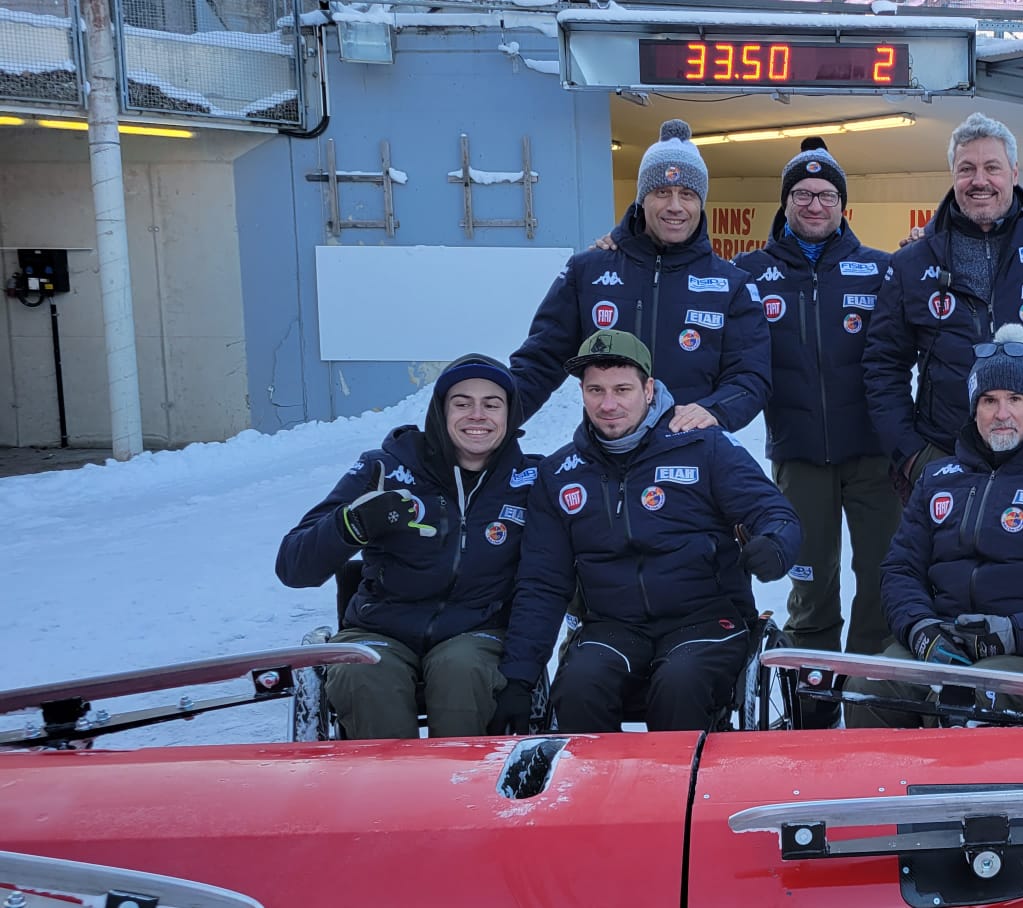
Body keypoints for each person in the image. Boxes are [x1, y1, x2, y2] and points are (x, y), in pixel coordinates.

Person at [491, 329, 800, 734]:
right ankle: (600, 793)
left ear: (649, 389)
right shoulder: (559, 475)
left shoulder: (704, 446)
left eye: (622, 389)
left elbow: (774, 511)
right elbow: (542, 584)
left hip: (706, 620)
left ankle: (677, 795)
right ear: (581, 394)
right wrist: (519, 679)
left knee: (680, 685)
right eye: (595, 390)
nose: (608, 404)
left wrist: (774, 544)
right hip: (612, 626)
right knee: (579, 688)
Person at [852, 324, 1023, 727]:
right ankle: (880, 787)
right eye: (989, 400)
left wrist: (1017, 631)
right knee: (866, 685)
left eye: (1014, 398)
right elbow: (900, 569)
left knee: (972, 698)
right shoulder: (939, 477)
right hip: (943, 638)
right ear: (974, 409)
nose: (1002, 413)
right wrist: (920, 628)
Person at [862, 112, 1023, 504]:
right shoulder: (912, 263)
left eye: (992, 168)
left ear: (1014, 173)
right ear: (952, 175)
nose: (979, 180)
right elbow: (882, 364)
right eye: (967, 168)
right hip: (944, 465)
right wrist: (913, 456)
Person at [276, 355, 541, 739]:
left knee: (460, 671)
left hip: (476, 630)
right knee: (364, 673)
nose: (477, 415)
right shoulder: (384, 469)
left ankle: (461, 790)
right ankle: (387, 793)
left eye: (492, 404)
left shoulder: (532, 479)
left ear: (510, 413)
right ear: (440, 410)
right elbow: (293, 566)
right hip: (380, 627)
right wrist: (351, 524)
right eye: (462, 403)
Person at [730, 139, 901, 711]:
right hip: (798, 455)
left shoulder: (879, 270)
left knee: (880, 572)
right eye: (801, 194)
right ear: (785, 203)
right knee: (810, 581)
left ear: (842, 205)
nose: (814, 204)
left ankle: (869, 694)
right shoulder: (749, 274)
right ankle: (815, 696)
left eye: (826, 194)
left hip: (874, 455)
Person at [511, 119, 769, 433]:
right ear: (642, 198)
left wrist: (712, 410)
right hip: (606, 455)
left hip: (690, 454)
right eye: (662, 192)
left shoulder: (733, 285)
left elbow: (750, 376)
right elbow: (539, 361)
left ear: (700, 203)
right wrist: (489, 419)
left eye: (687, 194)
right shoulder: (587, 271)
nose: (675, 206)